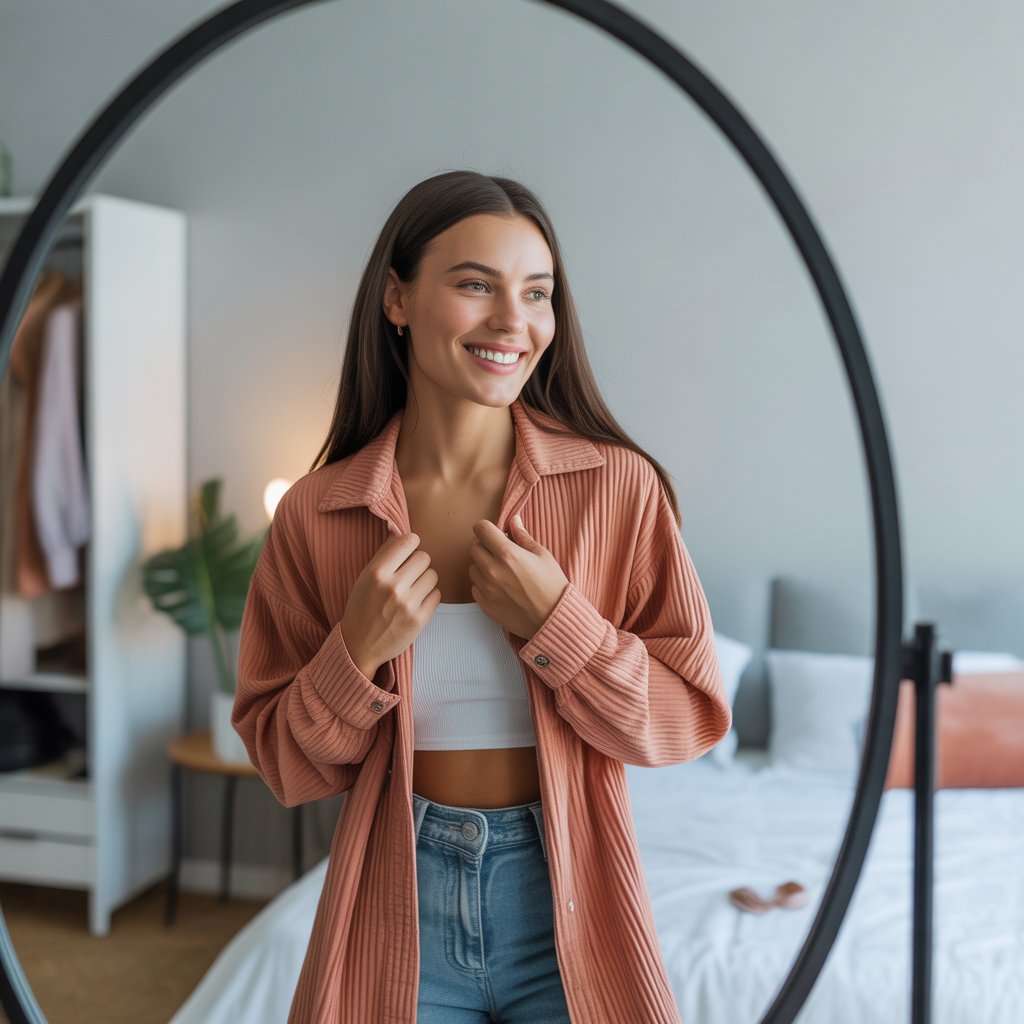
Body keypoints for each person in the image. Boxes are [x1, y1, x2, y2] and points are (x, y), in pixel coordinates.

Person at [232, 169, 731, 1024]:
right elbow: (285, 764)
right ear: (397, 298)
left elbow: (687, 719)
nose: (512, 321)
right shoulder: (318, 514)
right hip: (396, 908)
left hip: (570, 906)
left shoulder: (618, 489)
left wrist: (561, 627)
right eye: (475, 285)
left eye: (536, 293)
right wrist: (354, 654)